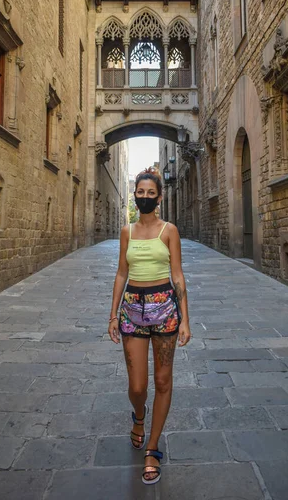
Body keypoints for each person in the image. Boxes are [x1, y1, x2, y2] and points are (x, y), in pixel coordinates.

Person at [108, 166, 191, 485]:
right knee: (138, 386)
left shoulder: (169, 230)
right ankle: (138, 416)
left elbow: (178, 275)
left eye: (150, 193)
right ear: (135, 195)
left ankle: (152, 447)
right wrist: (113, 313)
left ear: (159, 196)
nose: (144, 197)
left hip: (165, 310)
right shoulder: (127, 231)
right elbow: (120, 273)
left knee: (164, 381)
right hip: (132, 311)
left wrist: (185, 318)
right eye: (140, 192)